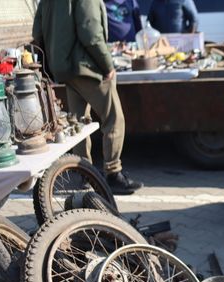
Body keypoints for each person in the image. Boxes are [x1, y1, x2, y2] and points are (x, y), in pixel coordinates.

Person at [32, 0, 142, 195]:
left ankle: (84, 174)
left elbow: (37, 31)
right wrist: (107, 65)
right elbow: (90, 32)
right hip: (87, 67)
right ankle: (113, 174)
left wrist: (50, 62)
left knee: (79, 123)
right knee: (114, 119)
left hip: (64, 68)